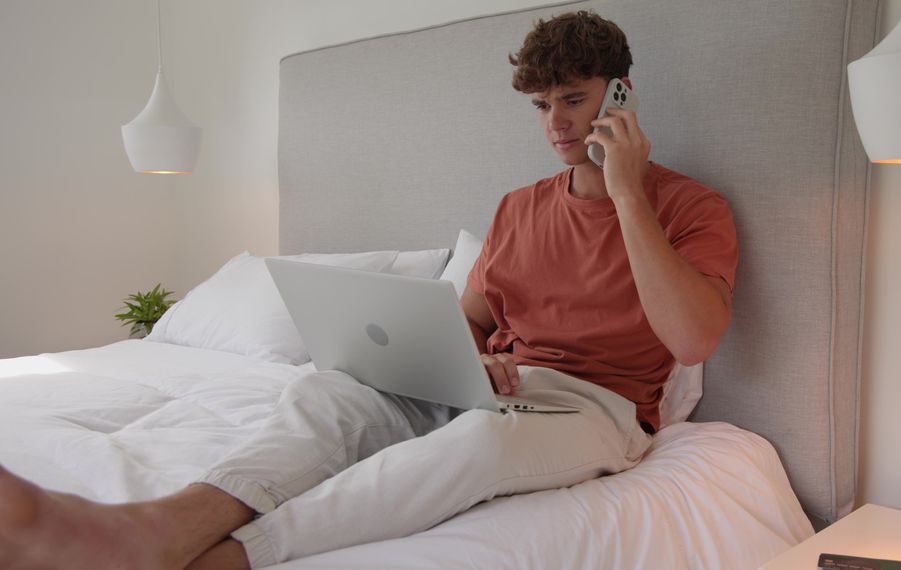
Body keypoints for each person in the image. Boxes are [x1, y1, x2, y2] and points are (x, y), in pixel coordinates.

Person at [0, 10, 737, 570]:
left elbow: (691, 339)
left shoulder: (690, 207)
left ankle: (225, 557)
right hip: (489, 385)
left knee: (481, 444)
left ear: (619, 93)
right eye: (542, 106)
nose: (555, 124)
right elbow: (472, 318)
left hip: (597, 407)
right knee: (331, 395)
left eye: (572, 100)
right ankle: (166, 521)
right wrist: (468, 357)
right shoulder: (519, 207)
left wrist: (627, 193)